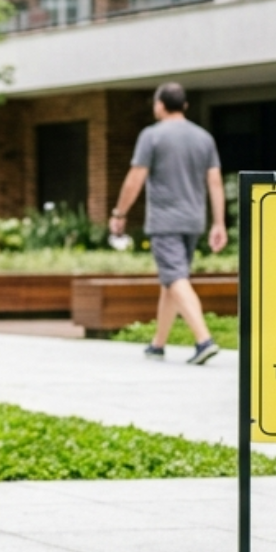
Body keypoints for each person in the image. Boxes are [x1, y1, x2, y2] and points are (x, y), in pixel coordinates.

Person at [108, 82, 228, 365]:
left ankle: (204, 340)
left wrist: (119, 214)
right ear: (184, 106)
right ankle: (158, 344)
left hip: (165, 221)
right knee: (171, 281)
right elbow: (215, 182)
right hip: (194, 220)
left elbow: (135, 177)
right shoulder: (204, 138)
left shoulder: (152, 136)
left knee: (175, 278)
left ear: (159, 105)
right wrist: (218, 223)